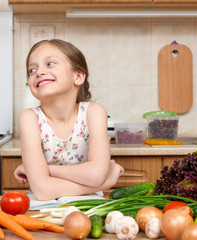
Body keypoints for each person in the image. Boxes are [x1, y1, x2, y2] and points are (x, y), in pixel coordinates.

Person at [14, 39, 124, 201]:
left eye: (50, 64)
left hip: (89, 207)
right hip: (44, 209)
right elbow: (43, 191)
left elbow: (95, 174)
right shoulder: (29, 118)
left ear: (78, 76)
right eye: (32, 69)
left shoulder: (93, 112)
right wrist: (103, 184)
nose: (39, 72)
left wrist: (45, 171)